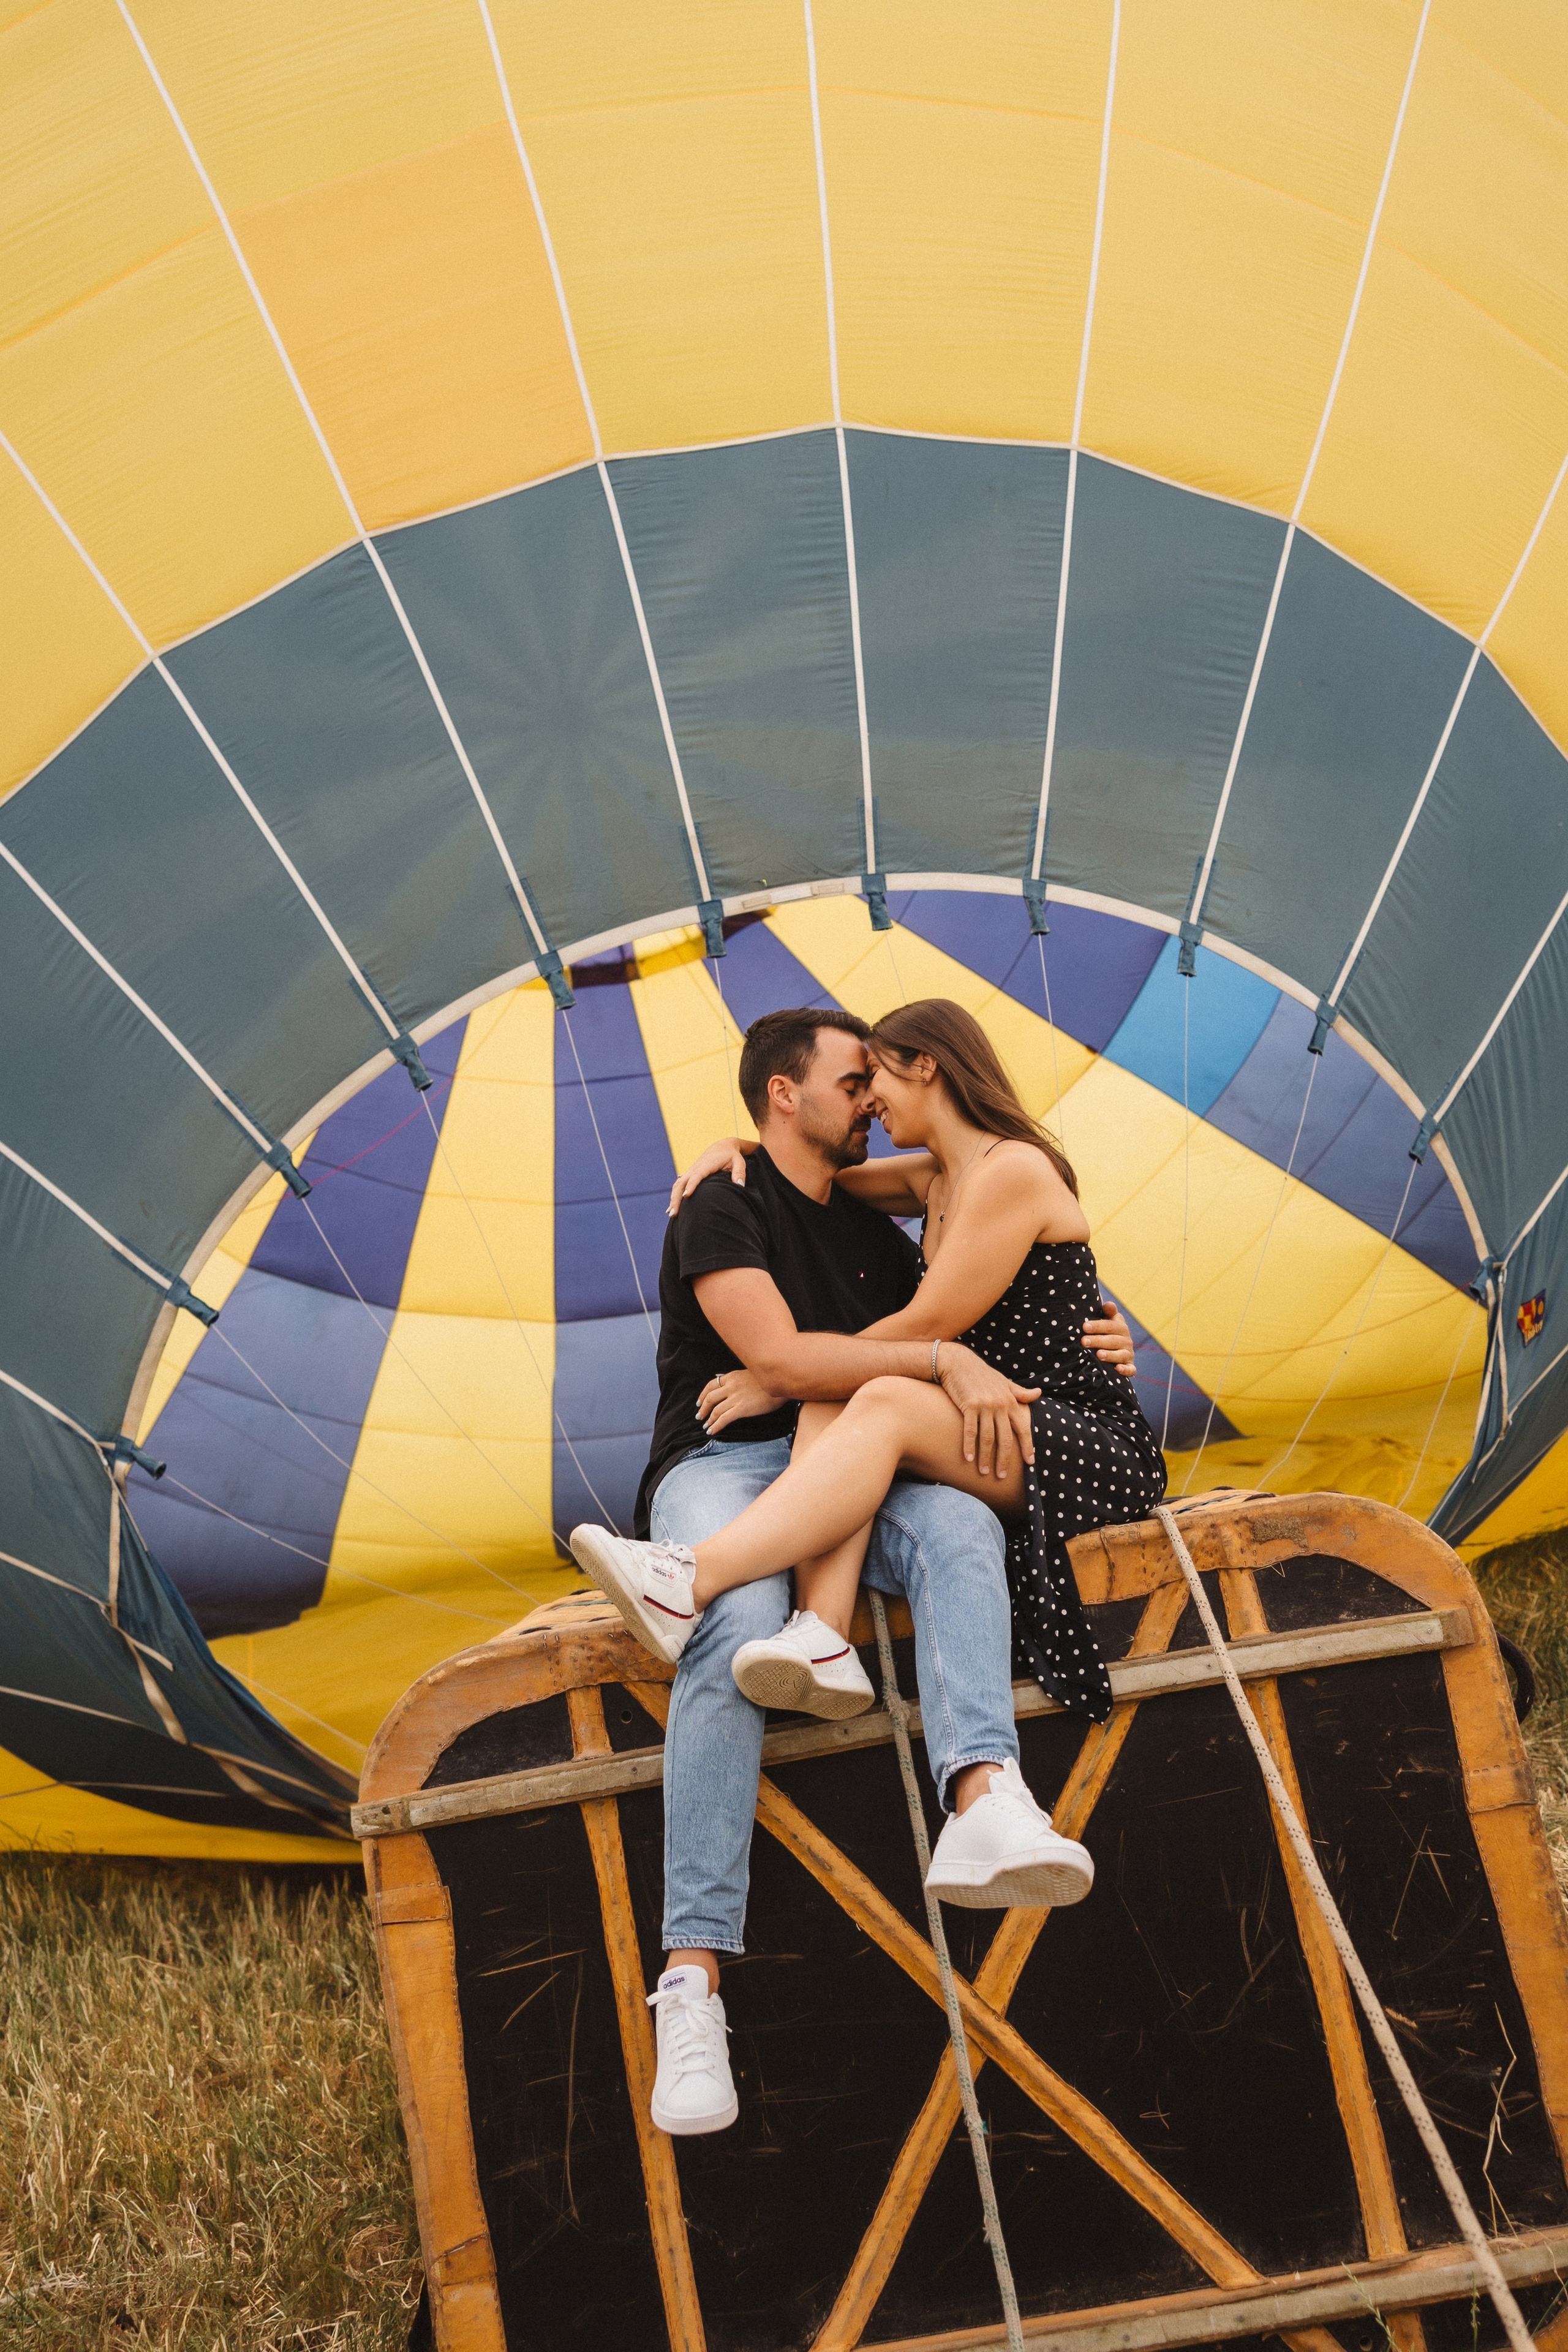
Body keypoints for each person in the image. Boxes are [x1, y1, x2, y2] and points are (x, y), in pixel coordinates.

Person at [569, 1005, 1145, 2139]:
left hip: (860, 1465)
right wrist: (924, 1358)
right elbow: (795, 1356)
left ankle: (987, 1795)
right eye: (851, 1081)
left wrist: (1082, 1339)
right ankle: (691, 1984)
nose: (869, 1102)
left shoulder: (906, 1212)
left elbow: (989, 1300)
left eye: (876, 1079)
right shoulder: (725, 1202)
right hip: (732, 1463)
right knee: (734, 1633)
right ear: (784, 1094)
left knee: (964, 1531)